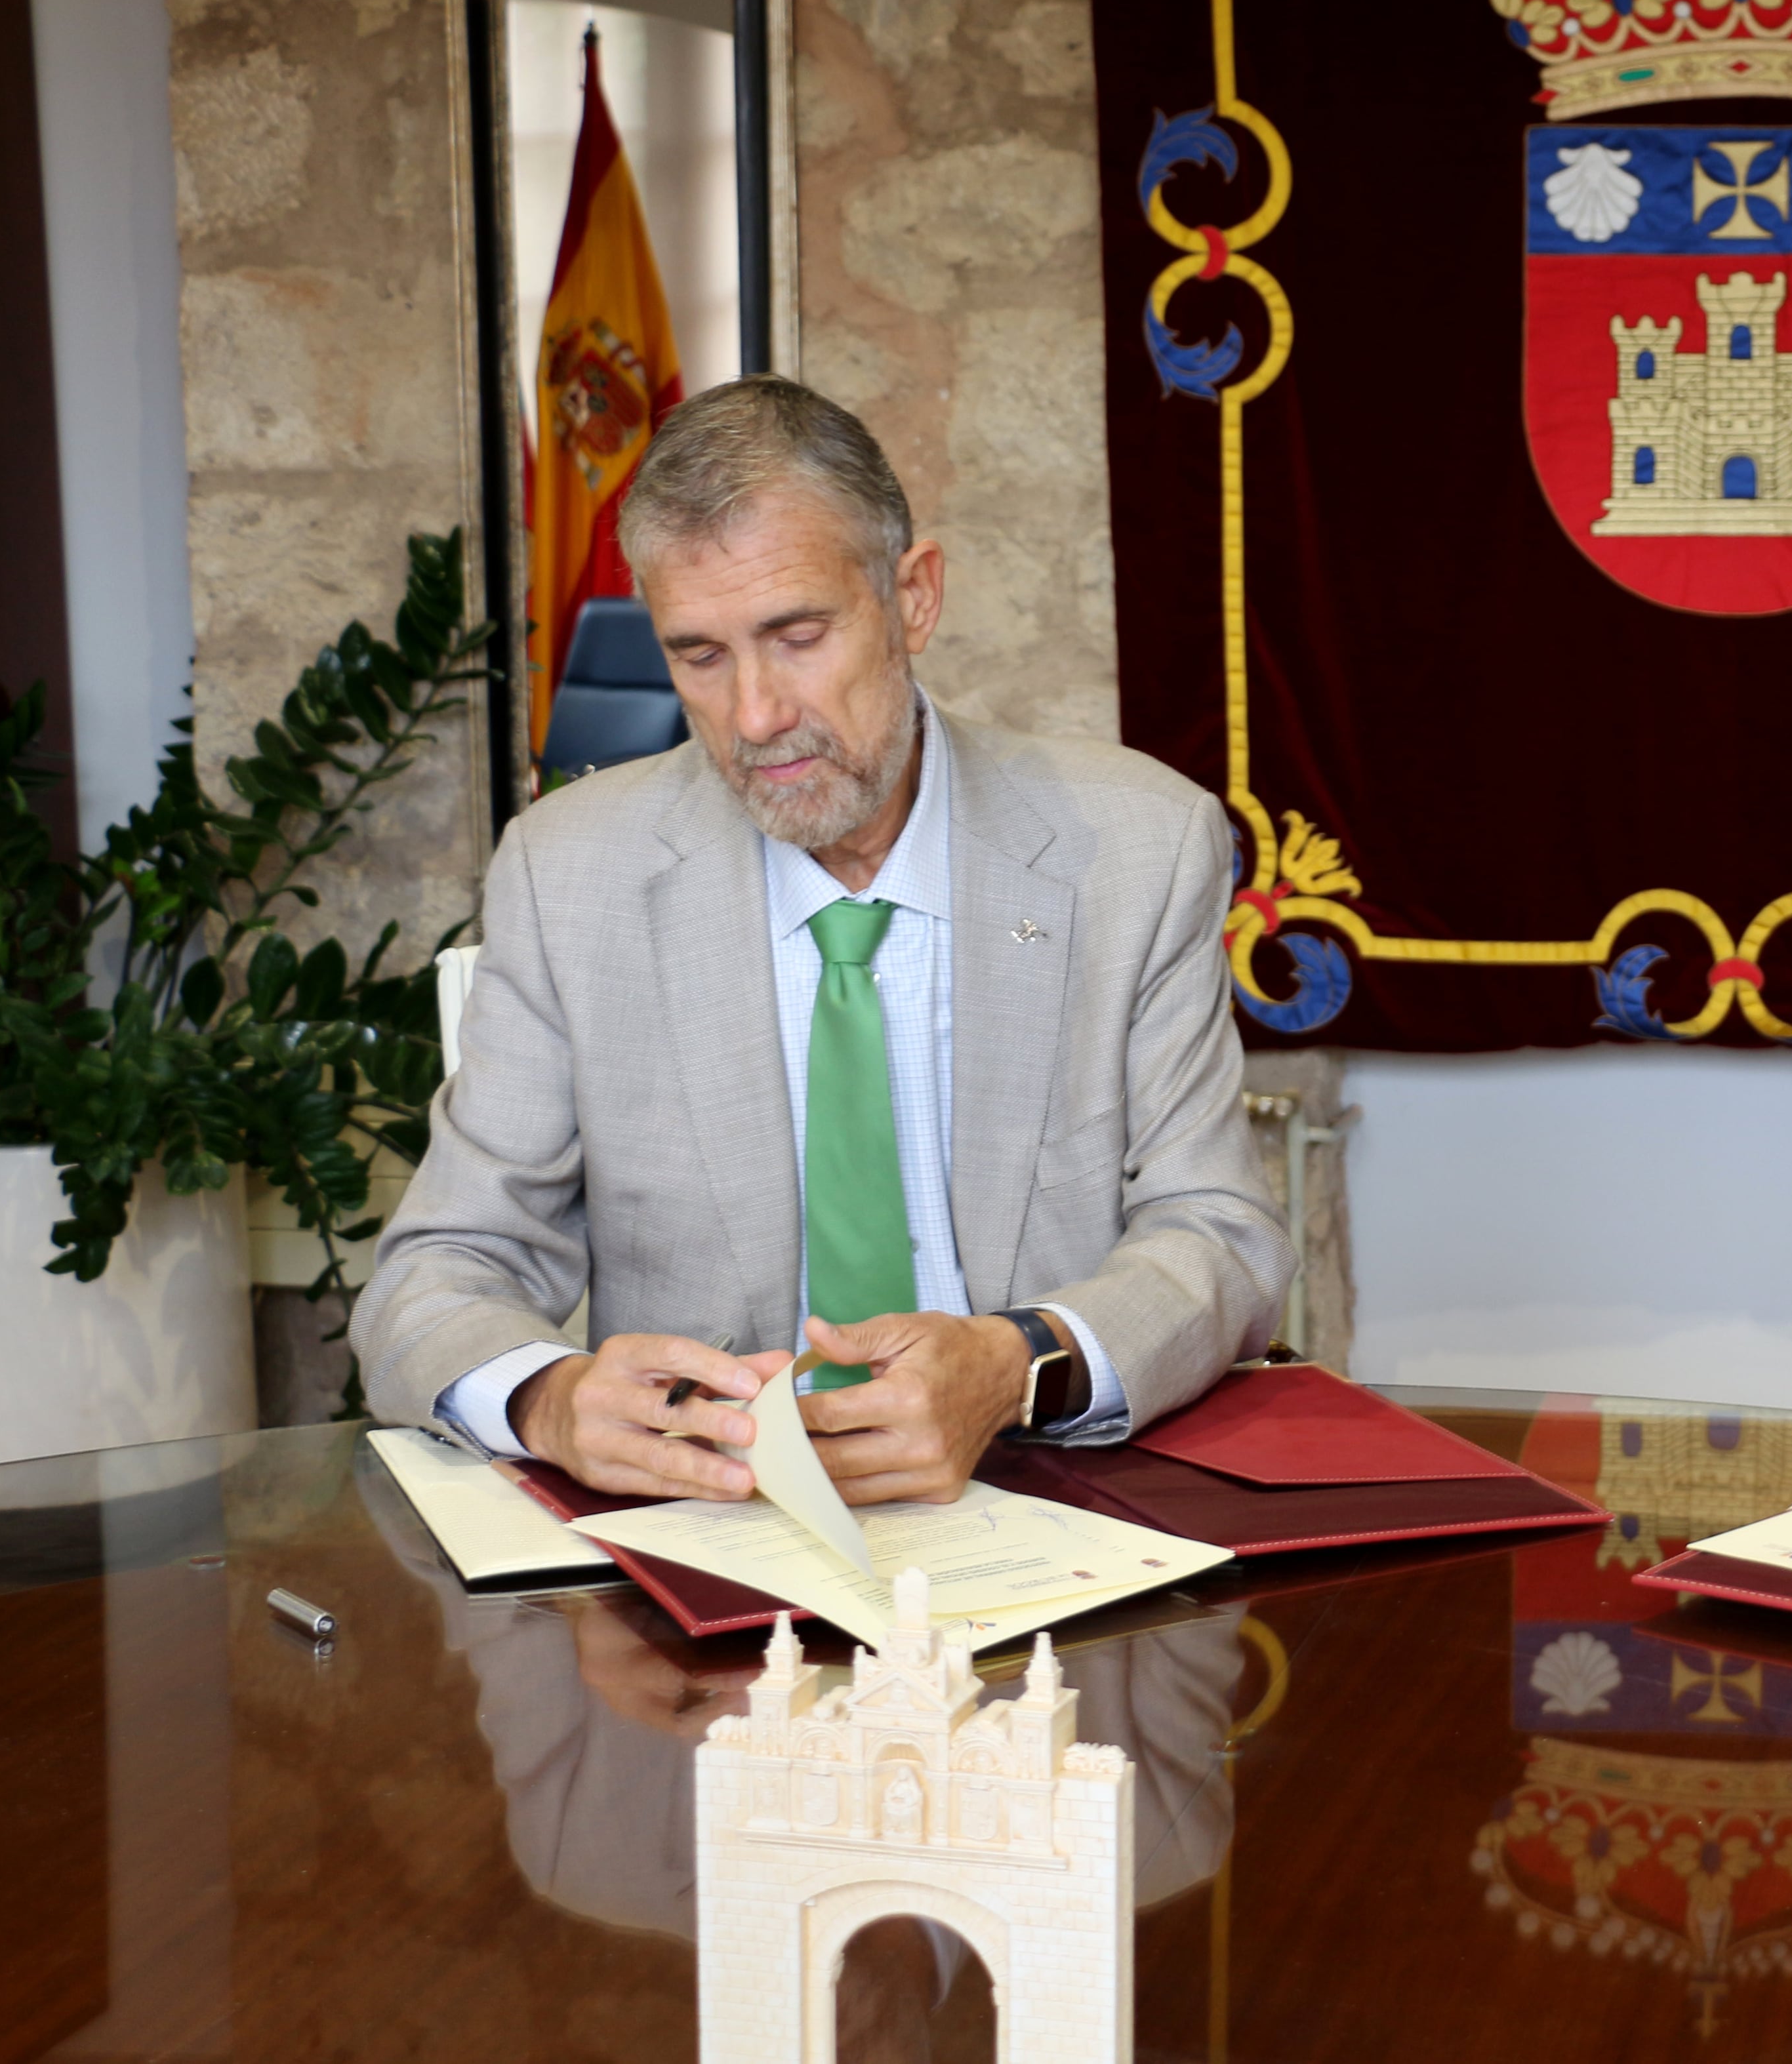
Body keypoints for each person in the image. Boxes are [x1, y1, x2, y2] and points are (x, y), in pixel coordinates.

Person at [350, 374, 1292, 1504]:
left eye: (797, 636)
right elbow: (438, 1271)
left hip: (1054, 1496)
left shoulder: (1138, 846)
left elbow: (1220, 1234)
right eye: (699, 655)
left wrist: (1016, 1361)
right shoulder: (571, 874)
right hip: (718, 1531)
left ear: (914, 599)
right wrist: (550, 1399)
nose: (754, 716)